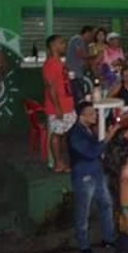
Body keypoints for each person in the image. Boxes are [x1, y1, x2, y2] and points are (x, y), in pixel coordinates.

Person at [68, 101, 118, 253]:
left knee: (106, 204)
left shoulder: (86, 130)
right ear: (81, 116)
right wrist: (107, 138)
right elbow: (91, 152)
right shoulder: (76, 134)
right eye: (91, 113)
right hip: (84, 175)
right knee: (83, 211)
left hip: (96, 172)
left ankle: (109, 238)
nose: (95, 115)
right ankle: (83, 245)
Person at [43, 35, 75, 173]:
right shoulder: (50, 64)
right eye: (61, 43)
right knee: (56, 134)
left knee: (63, 134)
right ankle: (57, 163)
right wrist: (57, 107)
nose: (64, 45)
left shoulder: (59, 63)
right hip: (58, 106)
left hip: (66, 103)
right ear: (53, 46)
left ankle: (61, 161)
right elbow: (50, 87)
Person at [66, 25, 94, 104]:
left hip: (79, 73)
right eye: (92, 35)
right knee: (78, 97)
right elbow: (80, 54)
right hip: (74, 74)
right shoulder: (78, 39)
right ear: (88, 33)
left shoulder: (85, 44)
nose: (92, 37)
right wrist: (94, 55)